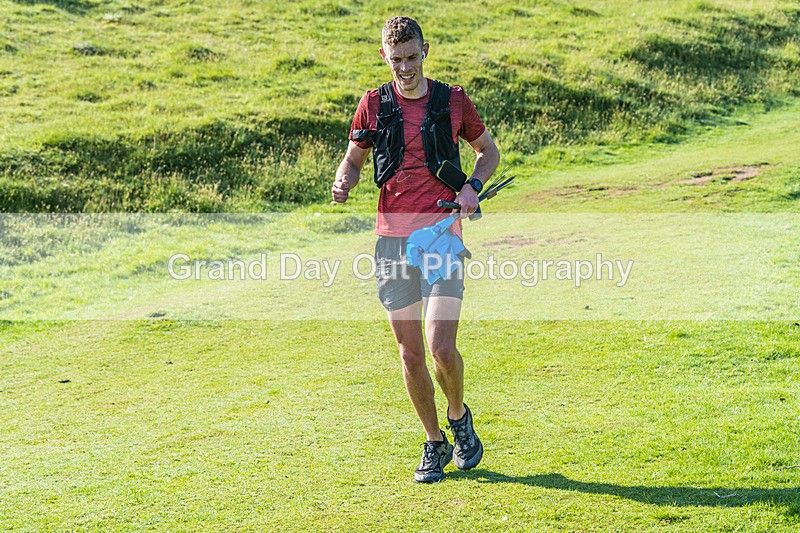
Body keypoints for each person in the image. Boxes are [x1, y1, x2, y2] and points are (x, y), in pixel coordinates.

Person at [331, 16, 500, 483]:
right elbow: (355, 156)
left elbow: (489, 152)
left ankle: (459, 416)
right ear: (384, 56)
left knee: (441, 346)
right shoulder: (372, 105)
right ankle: (434, 442)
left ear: (426, 50)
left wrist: (473, 187)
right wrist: (345, 177)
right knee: (409, 355)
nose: (405, 68)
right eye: (396, 59)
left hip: (442, 234)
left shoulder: (453, 101)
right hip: (393, 240)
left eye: (412, 57)